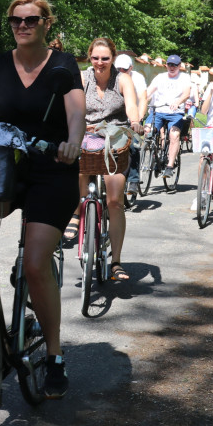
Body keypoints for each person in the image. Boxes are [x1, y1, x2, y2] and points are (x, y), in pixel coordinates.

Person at [0, 0, 85, 399]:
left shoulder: (63, 65)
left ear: (47, 23)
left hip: (53, 167)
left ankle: (54, 354)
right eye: (16, 20)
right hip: (5, 166)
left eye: (31, 20)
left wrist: (73, 142)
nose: (22, 26)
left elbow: (76, 112)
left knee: (34, 265)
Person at [73, 38, 141, 281]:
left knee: (115, 200)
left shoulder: (122, 79)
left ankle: (116, 262)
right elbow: (72, 108)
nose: (100, 63)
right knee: (76, 163)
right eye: (95, 58)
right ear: (89, 57)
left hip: (115, 135)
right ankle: (79, 211)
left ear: (112, 58)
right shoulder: (82, 78)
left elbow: (132, 105)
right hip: (88, 134)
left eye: (105, 58)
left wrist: (135, 122)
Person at [145, 55, 192, 180]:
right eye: (170, 65)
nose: (172, 67)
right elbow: (149, 91)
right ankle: (154, 155)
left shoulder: (184, 77)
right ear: (166, 65)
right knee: (147, 130)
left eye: (175, 65)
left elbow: (186, 93)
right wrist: (143, 100)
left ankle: (170, 166)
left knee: (174, 135)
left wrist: (178, 102)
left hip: (175, 113)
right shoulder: (160, 77)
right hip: (158, 111)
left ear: (179, 66)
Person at [115, 54, 147, 198]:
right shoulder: (112, 76)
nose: (121, 71)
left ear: (131, 68)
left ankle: (133, 180)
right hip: (116, 117)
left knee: (133, 146)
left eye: (124, 69)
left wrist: (138, 119)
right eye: (118, 68)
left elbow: (143, 98)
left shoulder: (137, 78)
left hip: (133, 116)